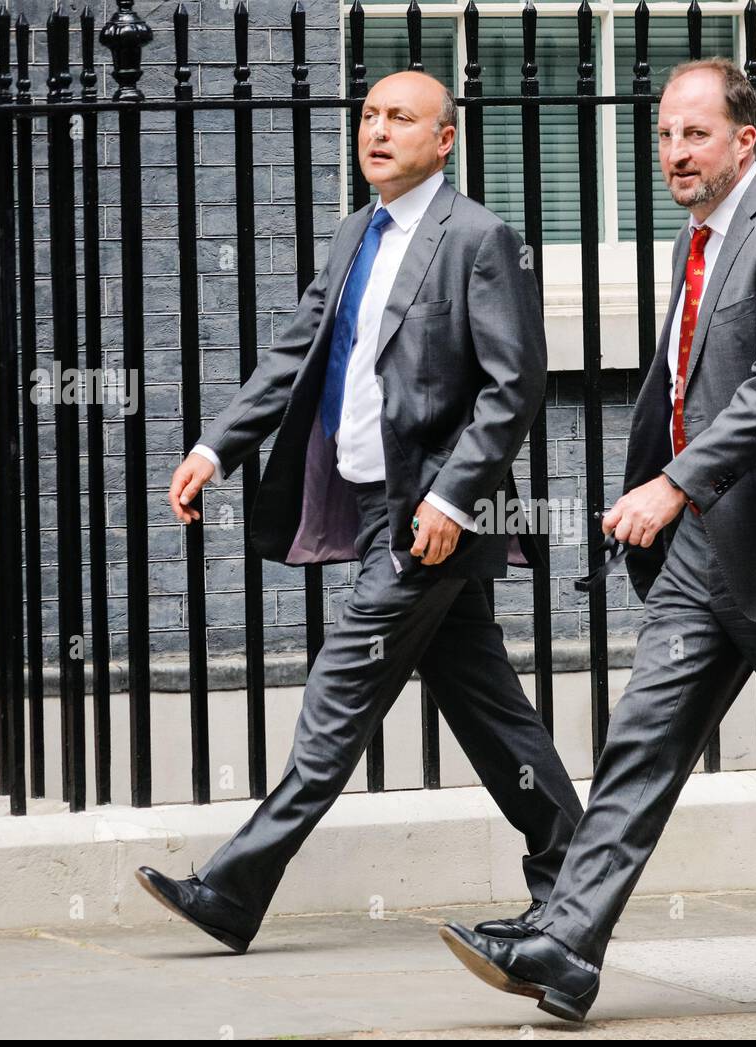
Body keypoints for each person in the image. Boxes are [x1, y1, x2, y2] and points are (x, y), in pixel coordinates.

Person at [439, 57, 756, 1025]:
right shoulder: (699, 242)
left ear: (744, 141)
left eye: (696, 135)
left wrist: (672, 485)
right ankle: (568, 944)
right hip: (703, 558)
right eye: (667, 136)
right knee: (640, 745)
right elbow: (687, 387)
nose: (676, 153)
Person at [137, 70, 582, 953]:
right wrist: (214, 446)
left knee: (338, 697)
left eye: (400, 118)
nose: (377, 131)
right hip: (375, 503)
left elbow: (513, 386)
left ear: (444, 140)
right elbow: (296, 351)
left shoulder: (480, 239)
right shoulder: (355, 235)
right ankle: (575, 879)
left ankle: (233, 888)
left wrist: (456, 496)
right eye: (370, 115)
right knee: (490, 709)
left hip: (429, 517)